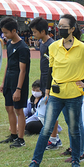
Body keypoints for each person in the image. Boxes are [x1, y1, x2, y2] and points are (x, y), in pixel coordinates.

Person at [26, 13, 84, 167]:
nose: (60, 29)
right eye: (58, 26)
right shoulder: (53, 47)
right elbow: (51, 70)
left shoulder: (83, 48)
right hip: (55, 95)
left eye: (63, 27)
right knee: (46, 129)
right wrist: (47, 91)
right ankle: (35, 162)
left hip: (74, 95)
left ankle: (76, 161)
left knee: (74, 129)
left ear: (72, 29)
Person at [29, 17, 62, 149]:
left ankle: (54, 139)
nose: (33, 35)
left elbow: (54, 67)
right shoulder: (42, 44)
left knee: (50, 112)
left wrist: (49, 85)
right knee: (46, 112)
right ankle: (55, 138)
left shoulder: (51, 45)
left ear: (43, 31)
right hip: (44, 81)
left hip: (52, 84)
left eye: (35, 32)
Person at [0, 17, 30, 148]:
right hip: (9, 81)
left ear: (14, 30)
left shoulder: (23, 47)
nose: (4, 36)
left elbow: (23, 71)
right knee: (8, 107)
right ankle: (13, 134)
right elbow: (8, 64)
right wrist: (3, 81)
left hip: (18, 82)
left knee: (18, 110)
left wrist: (18, 89)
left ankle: (21, 139)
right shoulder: (10, 44)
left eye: (6, 33)